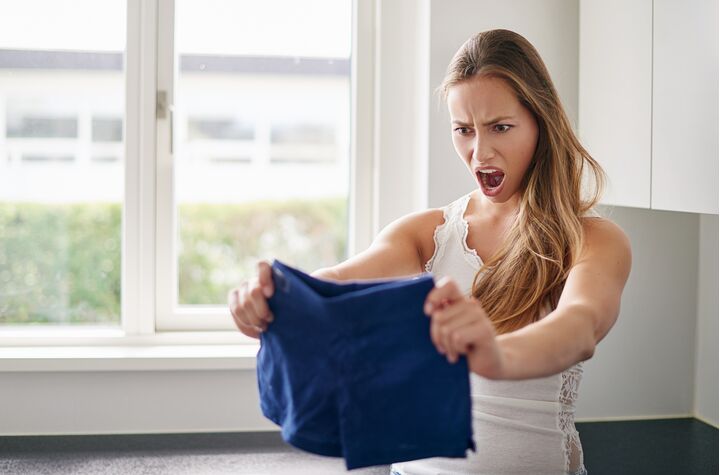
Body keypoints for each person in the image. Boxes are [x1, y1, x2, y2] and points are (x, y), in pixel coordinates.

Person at [228, 29, 632, 475]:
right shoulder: (427, 234)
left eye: (500, 127)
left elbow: (579, 326)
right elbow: (336, 284)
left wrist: (495, 356)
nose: (479, 152)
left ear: (541, 123)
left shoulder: (593, 239)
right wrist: (272, 296)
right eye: (463, 130)